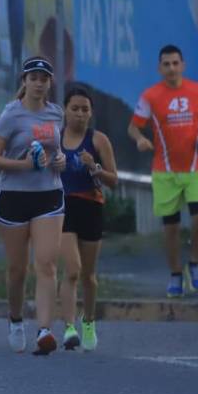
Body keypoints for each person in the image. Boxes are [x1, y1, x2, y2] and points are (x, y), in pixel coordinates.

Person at [0, 57, 67, 355]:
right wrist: (22, 164)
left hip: (49, 193)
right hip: (14, 196)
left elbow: (59, 152)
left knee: (46, 263)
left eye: (44, 78)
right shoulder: (11, 114)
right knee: (18, 269)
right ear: (24, 81)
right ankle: (16, 319)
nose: (39, 83)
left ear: (49, 82)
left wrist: (60, 160)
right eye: (33, 77)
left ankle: (44, 330)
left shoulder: (56, 113)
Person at [128, 45, 198, 297]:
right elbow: (133, 127)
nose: (171, 68)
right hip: (164, 170)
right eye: (166, 64)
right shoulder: (150, 96)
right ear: (159, 68)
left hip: (197, 167)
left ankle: (195, 264)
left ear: (183, 65)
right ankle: (176, 273)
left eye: (175, 63)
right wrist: (140, 140)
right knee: (171, 228)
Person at [58, 87, 118, 351]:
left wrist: (94, 167)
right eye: (75, 109)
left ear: (91, 113)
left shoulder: (98, 140)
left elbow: (114, 180)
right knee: (72, 269)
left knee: (89, 275)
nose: (80, 114)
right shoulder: (55, 138)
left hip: (91, 206)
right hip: (62, 207)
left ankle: (89, 320)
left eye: (85, 110)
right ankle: (69, 327)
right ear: (64, 110)